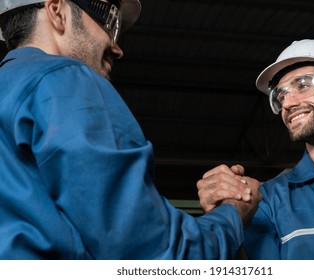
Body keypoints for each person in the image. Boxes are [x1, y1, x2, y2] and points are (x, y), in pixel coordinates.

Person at [0, 0, 261, 259]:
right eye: (109, 22)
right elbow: (151, 252)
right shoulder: (65, 80)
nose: (117, 48)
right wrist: (232, 215)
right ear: (57, 11)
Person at [197, 39, 314, 259]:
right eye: (281, 95)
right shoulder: (270, 200)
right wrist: (225, 226)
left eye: (303, 85)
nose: (287, 103)